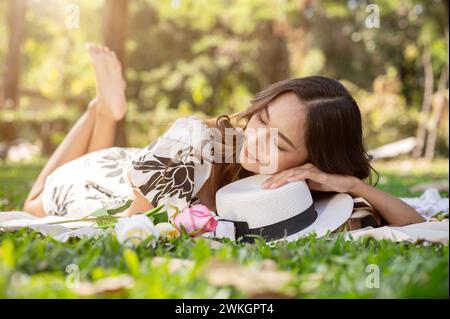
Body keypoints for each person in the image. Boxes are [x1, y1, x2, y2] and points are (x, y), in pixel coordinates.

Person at [23, 44, 425, 226]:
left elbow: (416, 223)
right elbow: (133, 218)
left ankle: (105, 113)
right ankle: (100, 110)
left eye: (279, 142)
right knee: (33, 203)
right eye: (261, 117)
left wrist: (353, 185)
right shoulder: (197, 142)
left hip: (139, 171)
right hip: (113, 185)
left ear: (312, 160)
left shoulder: (308, 191)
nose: (255, 137)